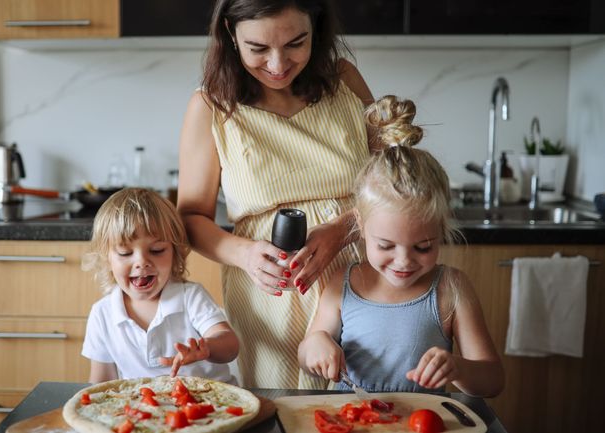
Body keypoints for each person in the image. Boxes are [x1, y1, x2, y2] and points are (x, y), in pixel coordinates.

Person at [177, 0, 377, 389]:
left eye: (295, 43)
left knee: (374, 406)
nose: (277, 63)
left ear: (316, 30)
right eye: (258, 49)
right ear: (231, 37)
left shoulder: (345, 80)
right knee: (283, 411)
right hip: (272, 292)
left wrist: (343, 229)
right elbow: (190, 219)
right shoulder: (210, 107)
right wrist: (245, 254)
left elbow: (394, 185)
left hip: (365, 275)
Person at [298, 96, 505, 397]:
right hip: (351, 421)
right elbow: (307, 353)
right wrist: (315, 345)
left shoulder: (452, 288)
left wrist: (458, 368)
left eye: (423, 247)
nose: (404, 261)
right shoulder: (343, 282)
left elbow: (494, 380)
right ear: (361, 228)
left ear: (441, 231)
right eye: (386, 245)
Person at [80, 188, 239, 384]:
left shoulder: (190, 297)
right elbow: (101, 383)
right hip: (144, 409)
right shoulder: (102, 314)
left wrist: (206, 347)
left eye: (156, 250)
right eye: (125, 253)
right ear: (107, 258)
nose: (141, 262)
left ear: (175, 253)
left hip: (213, 404)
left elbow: (230, 346)